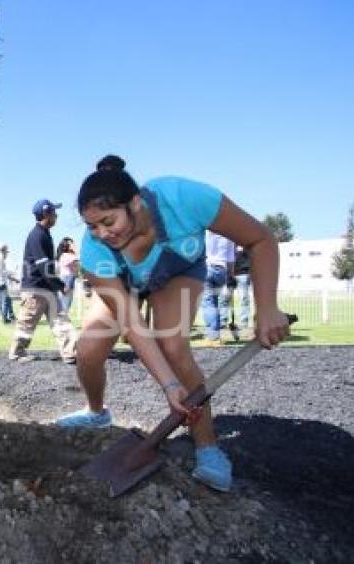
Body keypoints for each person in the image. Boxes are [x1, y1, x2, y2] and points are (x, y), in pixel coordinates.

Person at [56, 154, 290, 492]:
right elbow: (131, 323)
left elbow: (260, 239)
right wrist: (168, 387)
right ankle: (97, 413)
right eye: (92, 226)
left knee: (173, 346)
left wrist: (267, 306)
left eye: (108, 222)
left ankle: (208, 447)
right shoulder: (95, 251)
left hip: (176, 274)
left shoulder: (184, 197)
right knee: (89, 347)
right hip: (126, 283)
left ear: (135, 203)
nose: (101, 233)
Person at [8, 200, 78, 363]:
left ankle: (70, 353)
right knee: (27, 322)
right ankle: (17, 352)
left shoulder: (44, 234)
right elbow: (44, 266)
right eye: (54, 212)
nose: (56, 215)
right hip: (35, 289)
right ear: (46, 214)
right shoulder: (37, 235)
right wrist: (62, 286)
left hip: (46, 287)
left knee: (60, 319)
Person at [201, 231, 235, 344]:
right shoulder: (229, 236)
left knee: (208, 303)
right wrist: (231, 275)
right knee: (215, 303)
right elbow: (231, 259)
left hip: (207, 266)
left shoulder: (206, 232)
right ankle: (215, 335)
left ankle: (213, 337)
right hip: (222, 270)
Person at [57, 237, 79, 313]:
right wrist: (76, 252)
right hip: (68, 279)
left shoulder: (62, 255)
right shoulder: (70, 256)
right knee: (65, 305)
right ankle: (63, 322)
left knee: (63, 304)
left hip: (63, 278)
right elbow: (76, 270)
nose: (74, 245)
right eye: (72, 243)